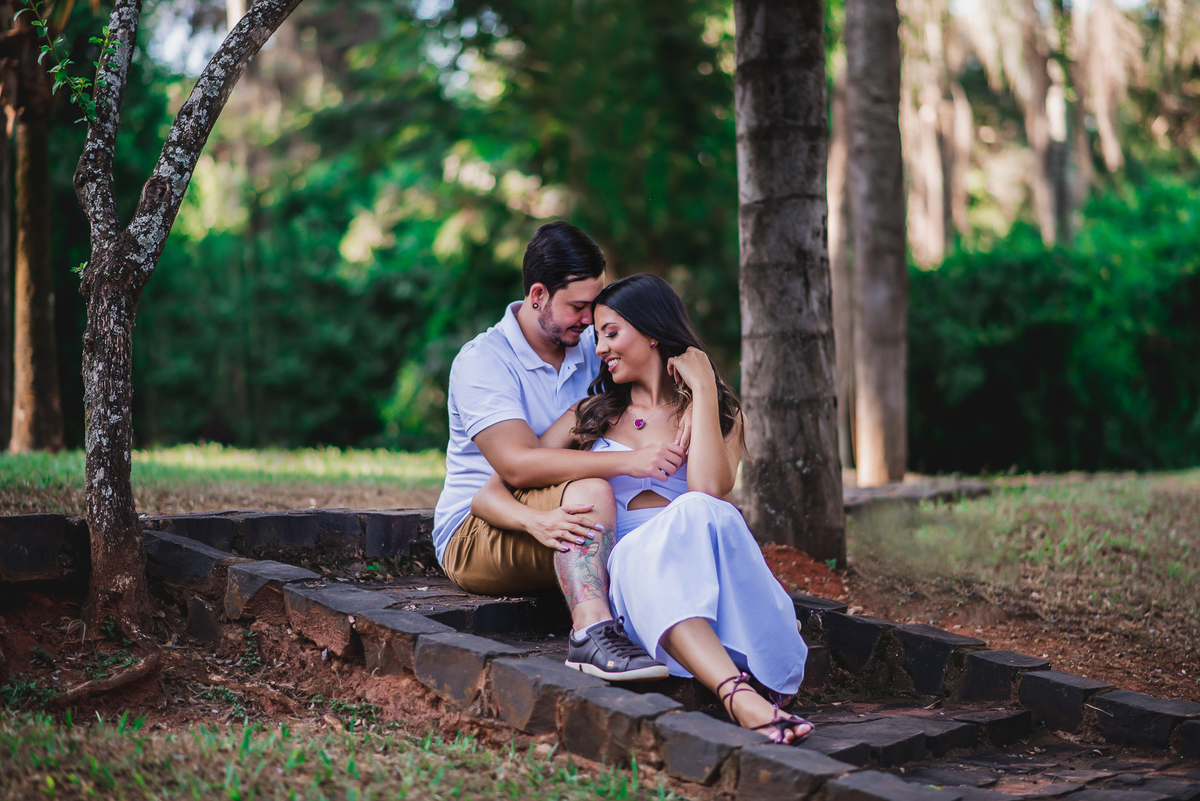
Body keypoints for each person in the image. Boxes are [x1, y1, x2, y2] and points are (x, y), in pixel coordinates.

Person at [472, 273, 813, 744]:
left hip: (704, 574)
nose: (601, 348)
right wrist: (538, 520)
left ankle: (744, 668)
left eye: (612, 333)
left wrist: (705, 392)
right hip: (638, 581)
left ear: (653, 332)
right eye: (596, 337)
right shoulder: (589, 415)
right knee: (650, 549)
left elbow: (710, 491)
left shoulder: (720, 414)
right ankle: (738, 696)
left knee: (701, 509)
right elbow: (489, 493)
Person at [433, 221, 686, 681]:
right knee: (593, 490)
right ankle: (590, 635)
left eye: (595, 304)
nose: (590, 320)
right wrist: (627, 462)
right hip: (481, 527)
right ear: (536, 296)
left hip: (576, 511)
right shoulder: (483, 362)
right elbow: (517, 466)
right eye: (577, 307)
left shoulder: (592, 347)